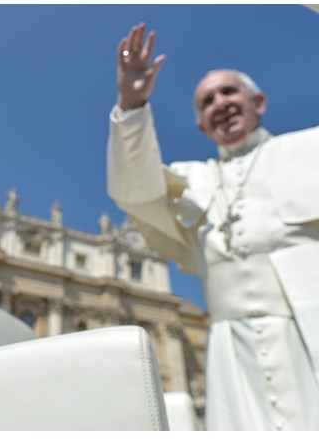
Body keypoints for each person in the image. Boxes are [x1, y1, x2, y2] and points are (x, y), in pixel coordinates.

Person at [107, 23, 319, 431]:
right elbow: (134, 189)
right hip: (234, 356)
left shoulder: (308, 149)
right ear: (201, 126)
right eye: (207, 101)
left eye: (228, 92)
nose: (219, 103)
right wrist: (131, 103)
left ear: (259, 102)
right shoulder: (192, 181)